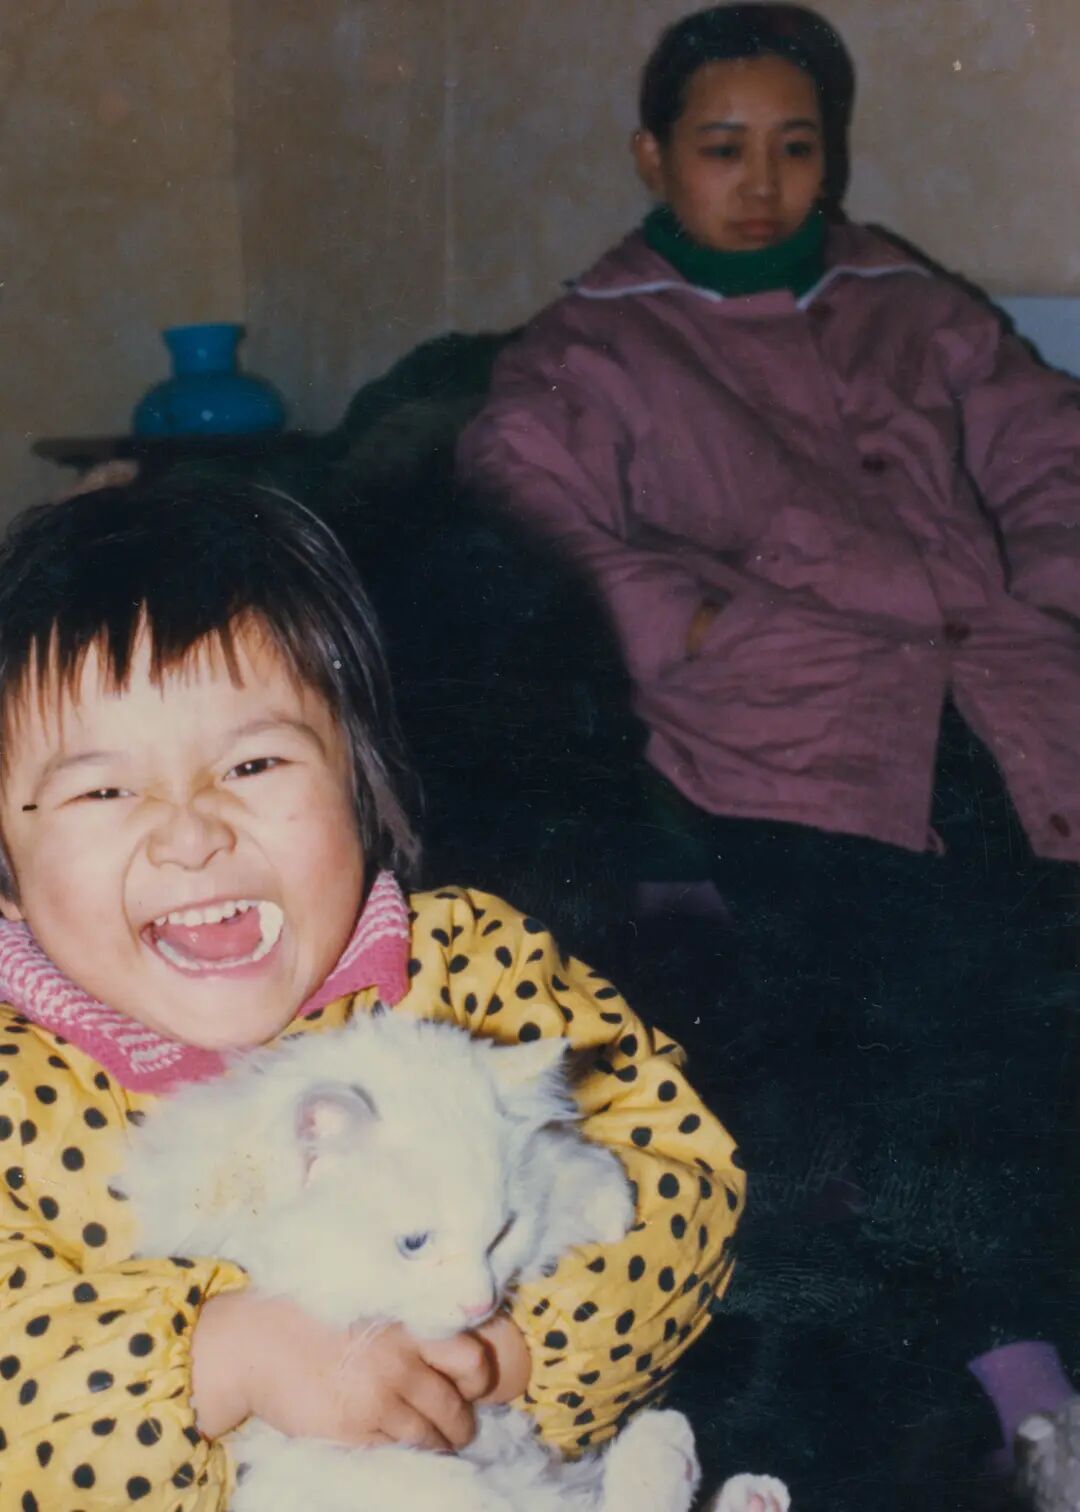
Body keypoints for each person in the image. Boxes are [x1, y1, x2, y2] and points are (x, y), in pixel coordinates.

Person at [457, 2, 1080, 1500]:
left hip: (1013, 708)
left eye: (795, 148)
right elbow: (515, 499)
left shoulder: (909, 305)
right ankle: (1030, 1394)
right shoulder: (599, 343)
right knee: (935, 1011)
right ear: (652, 156)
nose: (761, 182)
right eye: (722, 147)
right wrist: (692, 626)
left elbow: (1053, 452)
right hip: (787, 738)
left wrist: (1054, 593)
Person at [0, 477, 744, 1504]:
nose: (191, 833)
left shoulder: (477, 972)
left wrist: (514, 1351)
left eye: (253, 764)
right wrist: (220, 1362)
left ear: (360, 784)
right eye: (104, 788)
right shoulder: (15, 1095)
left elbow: (683, 1173)